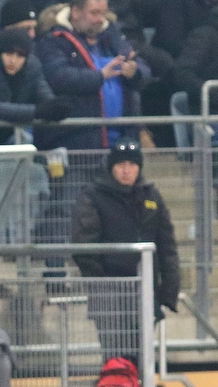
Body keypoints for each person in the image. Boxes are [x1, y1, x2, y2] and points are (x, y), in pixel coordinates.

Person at [71, 138, 179, 365]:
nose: (126, 170)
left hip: (145, 291)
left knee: (143, 357)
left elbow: (167, 244)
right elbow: (83, 246)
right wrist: (103, 284)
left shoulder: (151, 195)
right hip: (110, 293)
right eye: (120, 165)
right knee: (115, 357)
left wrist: (168, 291)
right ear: (111, 167)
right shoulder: (93, 196)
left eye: (132, 164)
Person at [34, 0, 149, 151]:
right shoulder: (53, 40)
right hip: (78, 140)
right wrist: (100, 76)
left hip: (121, 141)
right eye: (94, 13)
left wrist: (134, 72)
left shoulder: (114, 36)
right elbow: (58, 76)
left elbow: (142, 66)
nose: (100, 19)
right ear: (75, 12)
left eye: (103, 13)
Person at [0, 27, 71, 145]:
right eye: (9, 53)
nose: (13, 61)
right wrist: (37, 111)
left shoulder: (32, 66)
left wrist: (56, 106)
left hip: (9, 136)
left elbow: (43, 92)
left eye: (20, 56)